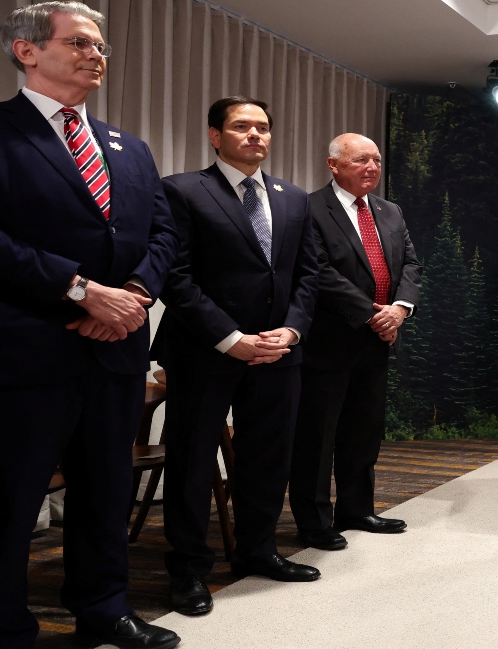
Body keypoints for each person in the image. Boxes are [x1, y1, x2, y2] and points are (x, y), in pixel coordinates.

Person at [0, 1, 180, 648]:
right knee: (7, 503)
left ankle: (104, 606)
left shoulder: (129, 148)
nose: (96, 55)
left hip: (115, 349)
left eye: (99, 46)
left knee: (105, 493)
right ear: (27, 51)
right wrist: (80, 291)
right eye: (79, 43)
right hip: (20, 350)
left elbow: (161, 233)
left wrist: (130, 295)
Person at [152, 96, 320, 616]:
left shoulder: (293, 198)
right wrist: (231, 338)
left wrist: (290, 333)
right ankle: (188, 570)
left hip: (278, 353)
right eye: (242, 126)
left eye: (264, 128)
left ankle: (258, 551)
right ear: (214, 135)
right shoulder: (182, 190)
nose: (255, 136)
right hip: (205, 350)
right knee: (193, 461)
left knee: (268, 457)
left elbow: (307, 275)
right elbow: (174, 276)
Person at [289, 133, 421, 549]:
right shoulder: (309, 208)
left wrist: (399, 309)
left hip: (378, 339)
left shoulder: (389, 210)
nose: (372, 167)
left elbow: (411, 264)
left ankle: (357, 509)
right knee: (318, 436)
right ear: (334, 165)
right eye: (362, 160)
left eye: (377, 160)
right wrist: (372, 313)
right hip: (329, 340)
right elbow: (318, 270)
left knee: (364, 432)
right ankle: (313, 522)